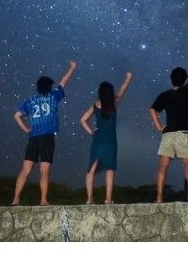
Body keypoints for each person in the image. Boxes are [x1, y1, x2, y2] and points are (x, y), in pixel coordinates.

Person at [11, 60, 77, 206]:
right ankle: (43, 200)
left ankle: (15, 199)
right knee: (45, 170)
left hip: (33, 137)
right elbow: (64, 81)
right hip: (47, 137)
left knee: (25, 170)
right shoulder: (53, 97)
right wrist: (72, 68)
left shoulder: (30, 101)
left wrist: (26, 129)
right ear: (49, 86)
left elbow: (16, 116)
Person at [149, 53, 188, 203]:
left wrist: (159, 127)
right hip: (182, 134)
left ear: (171, 79)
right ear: (184, 80)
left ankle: (159, 197)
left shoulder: (164, 95)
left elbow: (152, 109)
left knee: (163, 167)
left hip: (168, 134)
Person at [80, 70, 134, 204]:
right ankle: (108, 199)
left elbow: (82, 120)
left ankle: (89, 199)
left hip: (98, 139)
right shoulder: (114, 103)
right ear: (110, 92)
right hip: (110, 140)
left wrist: (91, 132)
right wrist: (128, 77)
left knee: (91, 169)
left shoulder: (95, 105)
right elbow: (123, 89)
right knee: (110, 169)